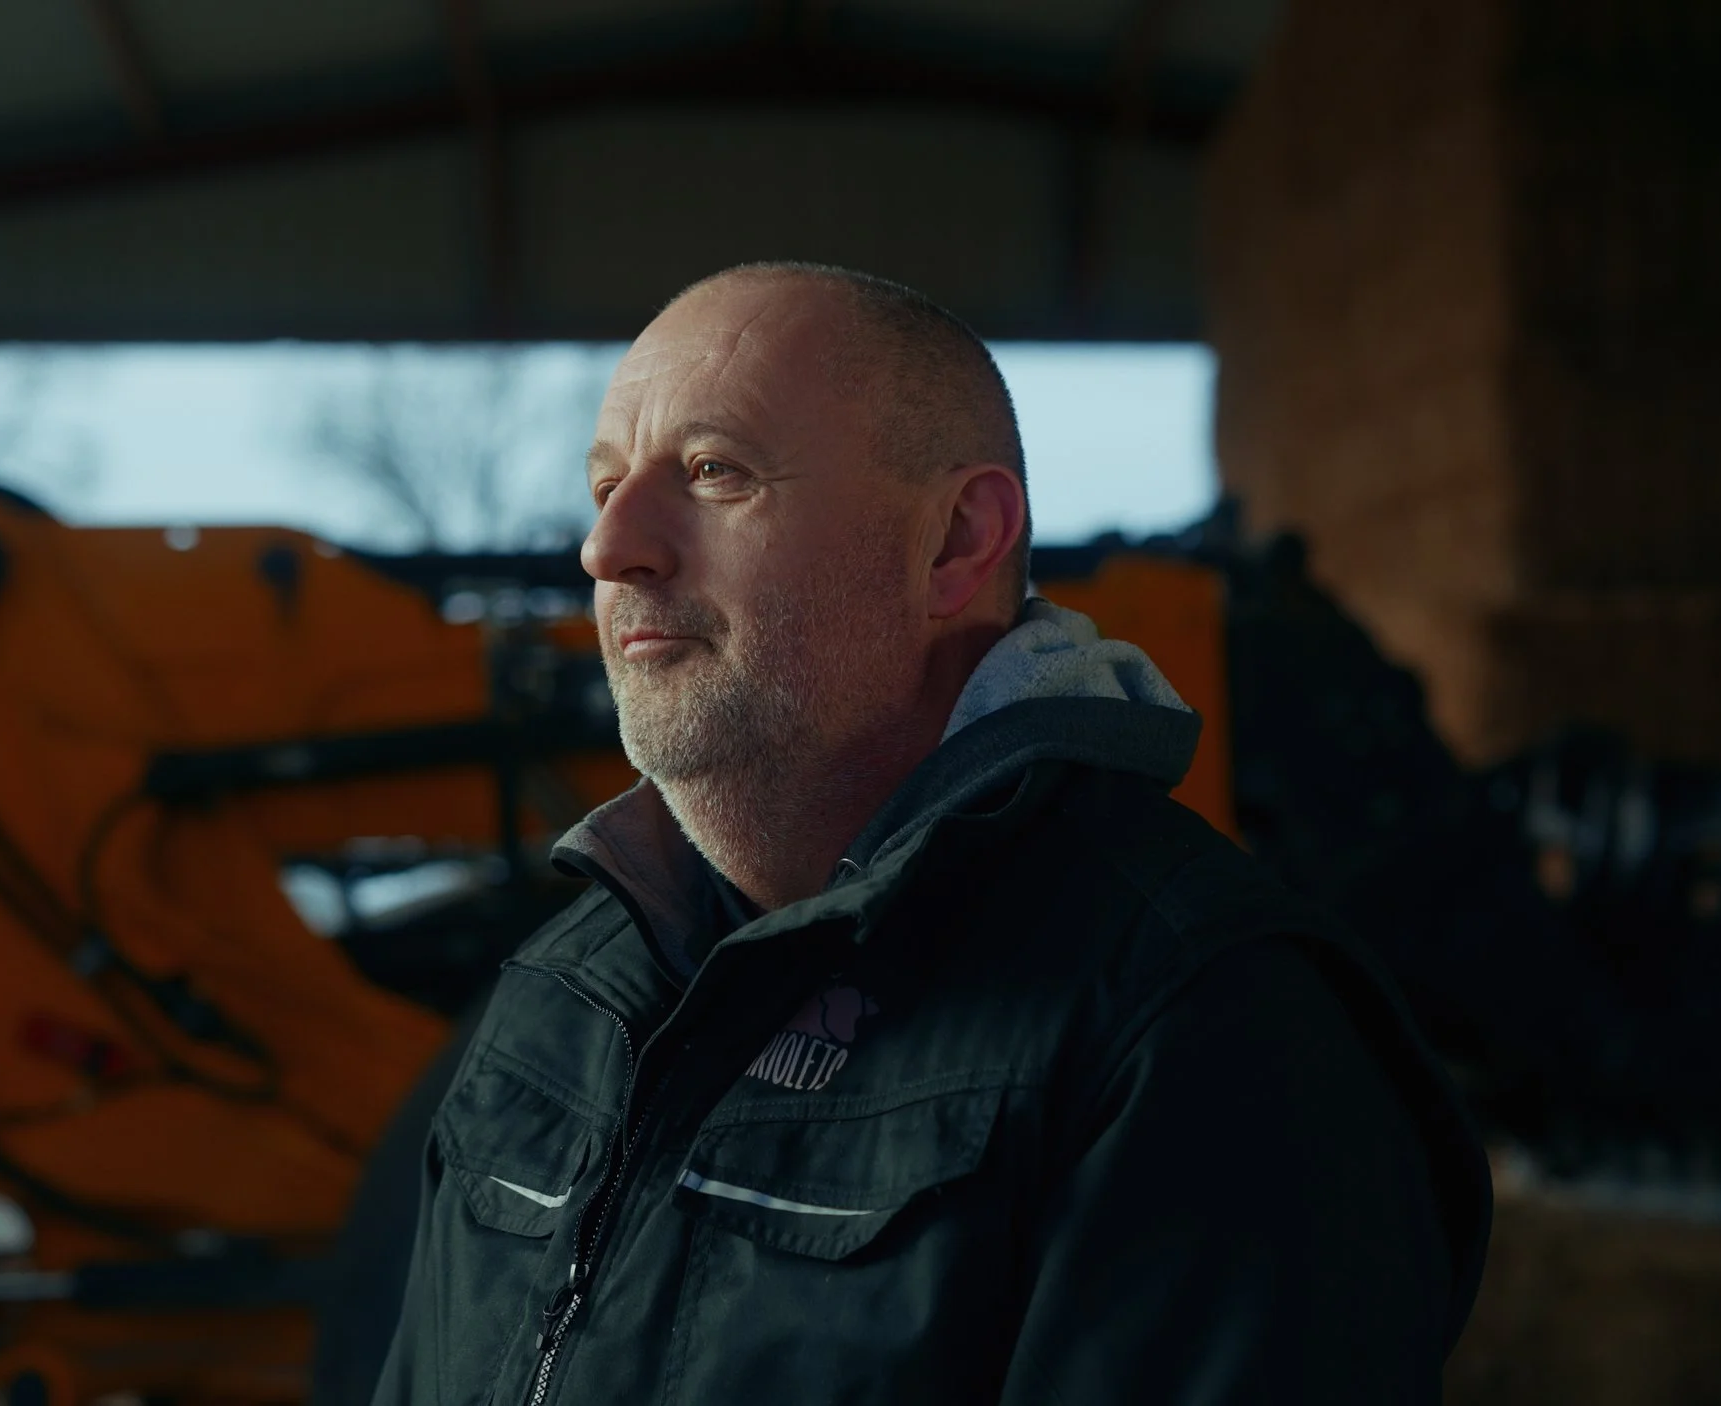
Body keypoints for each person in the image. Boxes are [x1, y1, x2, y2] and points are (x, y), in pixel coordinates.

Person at [369, 263, 1491, 1405]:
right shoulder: (560, 1000)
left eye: (713, 472)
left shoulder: (1195, 1027)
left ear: (955, 541)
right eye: (606, 483)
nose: (608, 548)